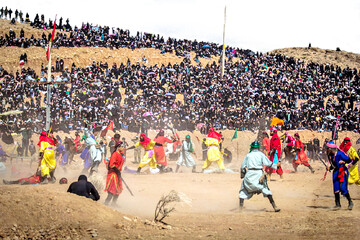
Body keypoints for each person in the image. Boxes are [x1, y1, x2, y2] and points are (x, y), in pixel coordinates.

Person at [239, 141, 280, 212]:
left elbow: (242, 167)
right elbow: (268, 163)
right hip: (258, 174)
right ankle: (274, 207)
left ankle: (240, 208)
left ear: (251, 147)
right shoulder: (261, 155)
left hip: (249, 175)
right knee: (266, 189)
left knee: (243, 189)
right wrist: (275, 165)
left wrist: (243, 175)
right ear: (258, 147)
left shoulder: (248, 155)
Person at [326, 141, 353, 210]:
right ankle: (338, 205)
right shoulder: (331, 156)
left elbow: (349, 160)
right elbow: (334, 166)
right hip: (336, 172)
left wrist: (344, 162)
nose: (327, 150)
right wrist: (329, 168)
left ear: (331, 149)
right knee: (336, 188)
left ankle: (350, 202)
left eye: (328, 148)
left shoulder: (340, 154)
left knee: (343, 188)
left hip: (342, 171)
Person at [104, 141, 125, 206]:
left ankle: (114, 203)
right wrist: (117, 171)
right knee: (111, 190)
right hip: (113, 174)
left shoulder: (120, 154)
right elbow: (112, 165)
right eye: (122, 146)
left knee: (118, 190)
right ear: (119, 147)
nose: (123, 148)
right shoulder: (115, 154)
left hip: (117, 174)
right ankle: (106, 203)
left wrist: (119, 172)